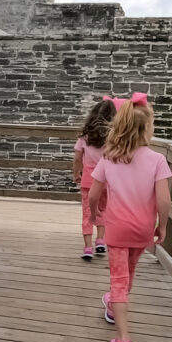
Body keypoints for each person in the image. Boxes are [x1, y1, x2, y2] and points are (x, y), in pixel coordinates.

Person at [88, 93, 172, 342]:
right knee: (129, 274)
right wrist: (163, 225)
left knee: (118, 279)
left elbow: (93, 193)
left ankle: (123, 339)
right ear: (148, 128)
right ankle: (113, 305)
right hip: (143, 227)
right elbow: (164, 199)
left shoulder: (109, 157)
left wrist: (94, 213)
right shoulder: (157, 160)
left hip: (116, 228)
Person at [72, 97, 119, 260]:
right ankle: (100, 240)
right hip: (107, 180)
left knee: (87, 213)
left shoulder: (84, 136)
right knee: (103, 209)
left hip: (88, 180)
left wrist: (76, 174)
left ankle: (87, 248)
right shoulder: (114, 137)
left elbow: (78, 158)